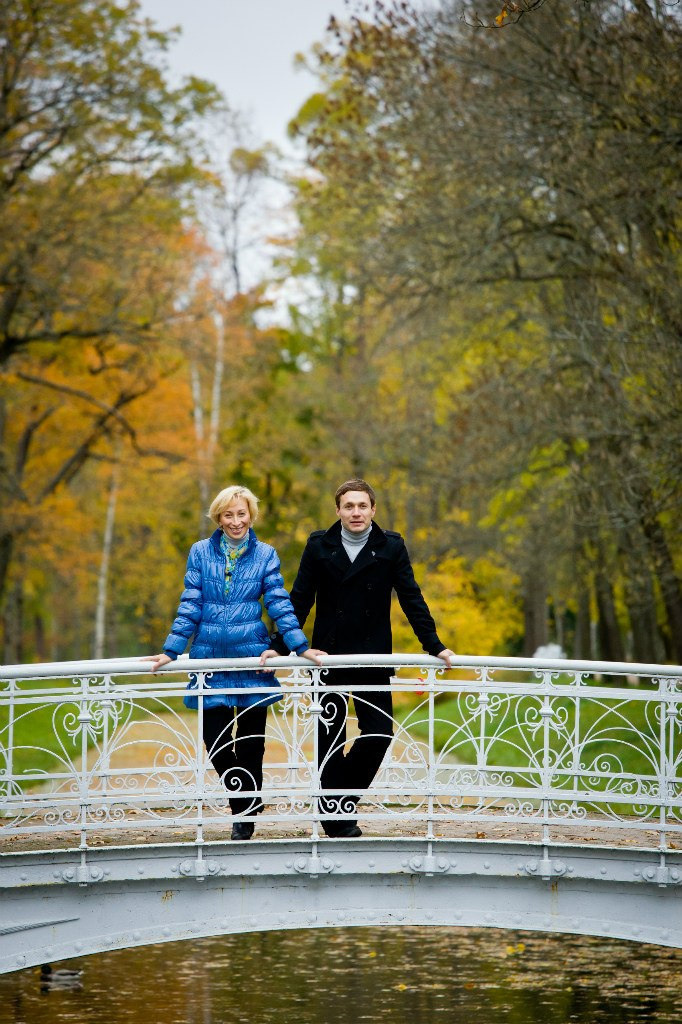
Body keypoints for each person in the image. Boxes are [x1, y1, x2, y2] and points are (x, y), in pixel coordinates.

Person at [269, 478, 454, 838]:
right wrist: (279, 644)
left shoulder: (390, 547)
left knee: (380, 733)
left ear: (373, 510)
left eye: (362, 506)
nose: (356, 512)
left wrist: (434, 644)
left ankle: (338, 804)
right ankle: (338, 821)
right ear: (337, 510)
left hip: (371, 656)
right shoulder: (319, 546)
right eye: (349, 506)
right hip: (327, 657)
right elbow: (300, 598)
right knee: (330, 740)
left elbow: (411, 597)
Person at [146, 485, 323, 841]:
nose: (236, 521)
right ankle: (245, 798)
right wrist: (170, 650)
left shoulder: (266, 555)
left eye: (242, 514)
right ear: (218, 517)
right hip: (208, 659)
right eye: (228, 514)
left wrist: (299, 646)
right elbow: (190, 604)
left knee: (252, 742)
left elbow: (278, 603)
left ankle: (243, 817)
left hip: (251, 657)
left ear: (251, 516)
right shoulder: (199, 552)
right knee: (216, 740)